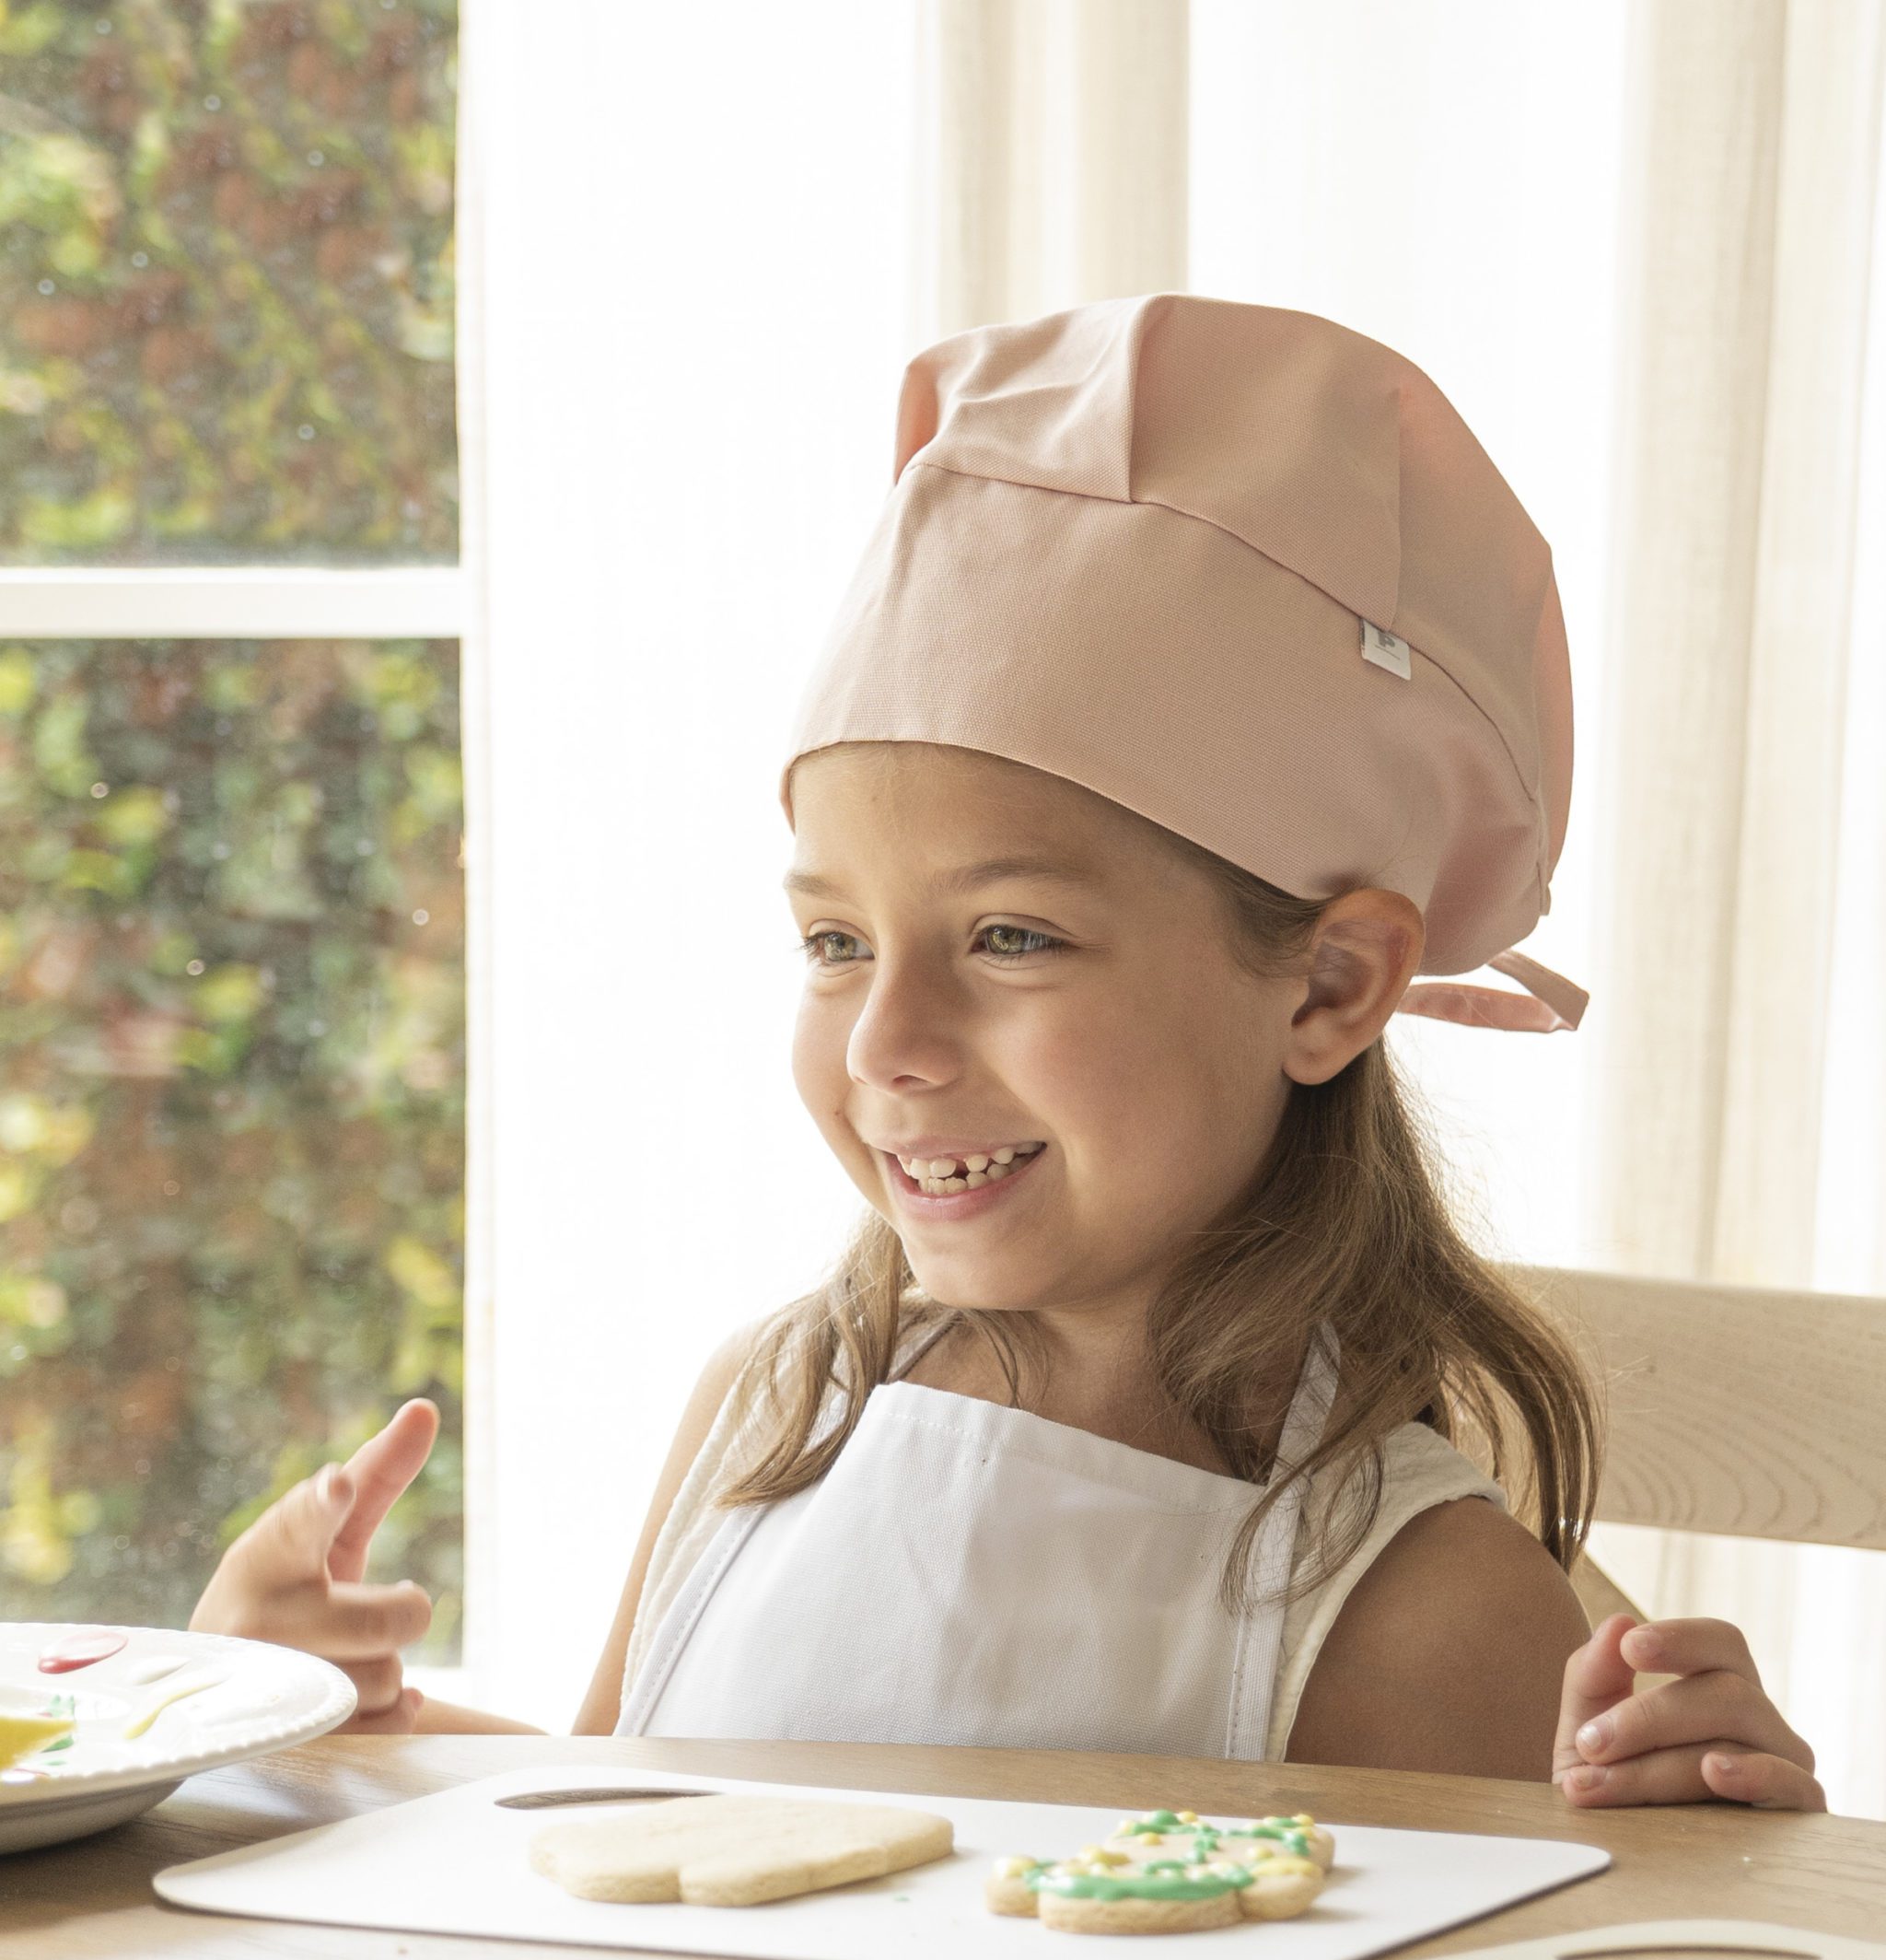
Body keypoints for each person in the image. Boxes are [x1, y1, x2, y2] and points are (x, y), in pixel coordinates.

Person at [192, 296, 1824, 1812]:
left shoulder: (1422, 1609)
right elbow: (644, 1824)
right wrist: (328, 1718)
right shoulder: (776, 1410)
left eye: (1012, 939)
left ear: (1330, 986)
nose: (887, 1043)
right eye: (836, 944)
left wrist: (1715, 1836)